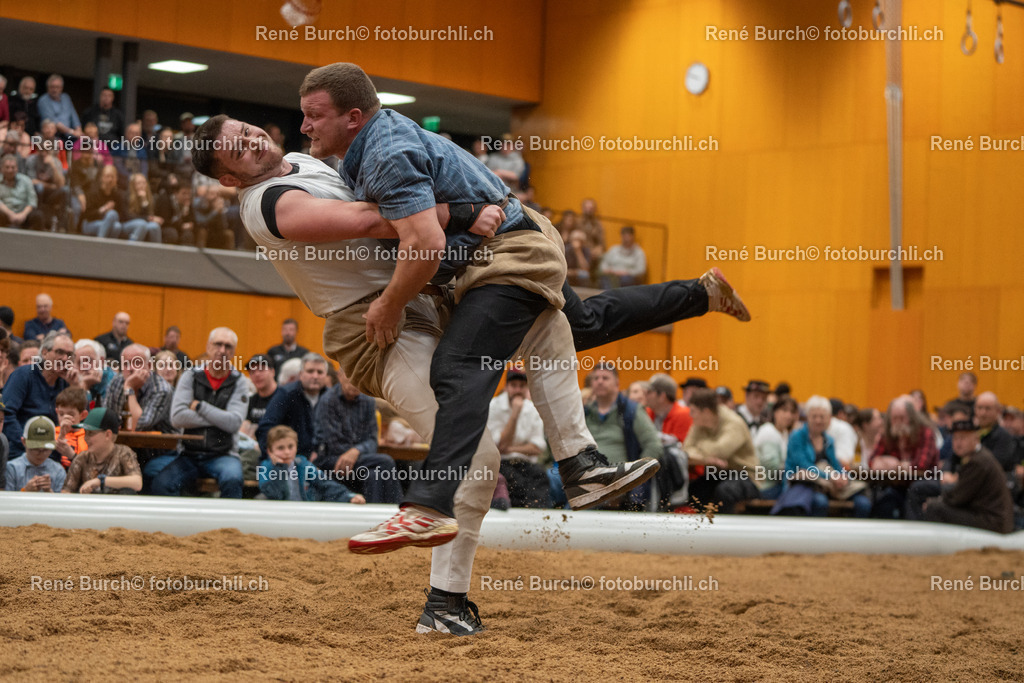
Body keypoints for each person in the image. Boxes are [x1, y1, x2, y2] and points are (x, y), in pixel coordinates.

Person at [191, 107, 748, 635]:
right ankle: (446, 601)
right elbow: (374, 220)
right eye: (235, 150)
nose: (250, 141)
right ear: (229, 179)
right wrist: (462, 212)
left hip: (425, 294)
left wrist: (462, 215)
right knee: (476, 454)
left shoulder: (309, 163)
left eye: (246, 130)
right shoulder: (269, 204)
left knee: (553, 313)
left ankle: (582, 463)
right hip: (377, 327)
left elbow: (401, 207)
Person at [152, 327, 247, 498]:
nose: (222, 350)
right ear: (208, 346)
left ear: (233, 352)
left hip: (223, 455)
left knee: (233, 480)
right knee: (161, 484)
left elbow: (234, 423)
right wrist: (220, 418)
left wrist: (200, 407)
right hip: (189, 454)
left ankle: (228, 525)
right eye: (218, 344)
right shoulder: (191, 375)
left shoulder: (239, 381)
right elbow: (178, 417)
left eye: (228, 346)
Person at [313, 367, 402, 504]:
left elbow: (372, 440)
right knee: (386, 461)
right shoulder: (328, 401)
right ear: (340, 376)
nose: (355, 381)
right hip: (331, 459)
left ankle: (374, 518)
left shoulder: (368, 401)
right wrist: (356, 451)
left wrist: (356, 451)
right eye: (350, 376)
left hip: (359, 458)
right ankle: (398, 509)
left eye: (359, 376)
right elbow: (333, 443)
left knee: (374, 474)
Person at [781, 395, 870, 517]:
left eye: (822, 417)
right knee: (820, 502)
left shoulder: (829, 440)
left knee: (863, 503)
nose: (818, 420)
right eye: (814, 416)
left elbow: (836, 465)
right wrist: (831, 476)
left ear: (829, 418)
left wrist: (844, 478)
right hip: (803, 486)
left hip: (827, 487)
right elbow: (803, 465)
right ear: (807, 417)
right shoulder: (796, 437)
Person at [922, 420, 1014, 533]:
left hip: (993, 522)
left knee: (934, 508)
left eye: (963, 438)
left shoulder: (977, 462)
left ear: (976, 440)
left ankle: (937, 547)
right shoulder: (979, 456)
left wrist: (935, 501)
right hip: (994, 518)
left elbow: (957, 498)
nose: (958, 443)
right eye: (955, 438)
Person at [486, 368, 550, 508]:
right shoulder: (494, 406)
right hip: (501, 464)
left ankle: (538, 521)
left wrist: (510, 448)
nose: (517, 390)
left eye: (521, 386)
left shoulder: (532, 409)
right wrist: (515, 414)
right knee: (514, 480)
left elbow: (537, 448)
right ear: (506, 387)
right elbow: (499, 446)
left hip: (526, 464)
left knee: (541, 477)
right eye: (513, 386)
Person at [2, 331, 73, 458]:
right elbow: (7, 415)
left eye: (69, 355)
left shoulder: (66, 384)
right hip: (21, 452)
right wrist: (28, 445)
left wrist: (78, 386)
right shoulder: (24, 375)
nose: (65, 359)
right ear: (45, 353)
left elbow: (79, 421)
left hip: (53, 454)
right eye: (60, 352)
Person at [258, 425, 365, 503]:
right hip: (279, 515)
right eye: (280, 448)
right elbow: (275, 495)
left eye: (290, 447)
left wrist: (349, 496)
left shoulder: (302, 464)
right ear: (270, 451)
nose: (287, 452)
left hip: (304, 512)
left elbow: (326, 484)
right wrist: (279, 468)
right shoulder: (265, 468)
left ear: (296, 447)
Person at [61, 407, 142, 494]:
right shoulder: (82, 458)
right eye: (85, 433)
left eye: (91, 433)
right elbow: (66, 491)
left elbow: (137, 483)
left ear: (107, 435)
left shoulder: (123, 453)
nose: (85, 438)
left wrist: (101, 481)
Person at [5, 416, 66, 492]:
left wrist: (49, 491)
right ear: (24, 442)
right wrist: (25, 491)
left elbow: (62, 502)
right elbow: (6, 501)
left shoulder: (58, 470)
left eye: (46, 449)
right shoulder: (12, 468)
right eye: (35, 448)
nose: (41, 454)